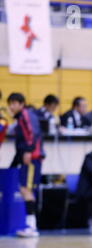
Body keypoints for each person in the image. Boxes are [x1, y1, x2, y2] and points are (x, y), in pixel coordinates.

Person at [8, 93, 45, 238]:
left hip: (32, 158)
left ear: (21, 104)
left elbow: (33, 133)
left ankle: (31, 227)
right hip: (28, 158)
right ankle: (31, 226)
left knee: (25, 189)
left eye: (14, 103)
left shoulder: (25, 115)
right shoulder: (20, 117)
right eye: (10, 103)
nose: (11, 106)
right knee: (27, 190)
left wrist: (29, 151)